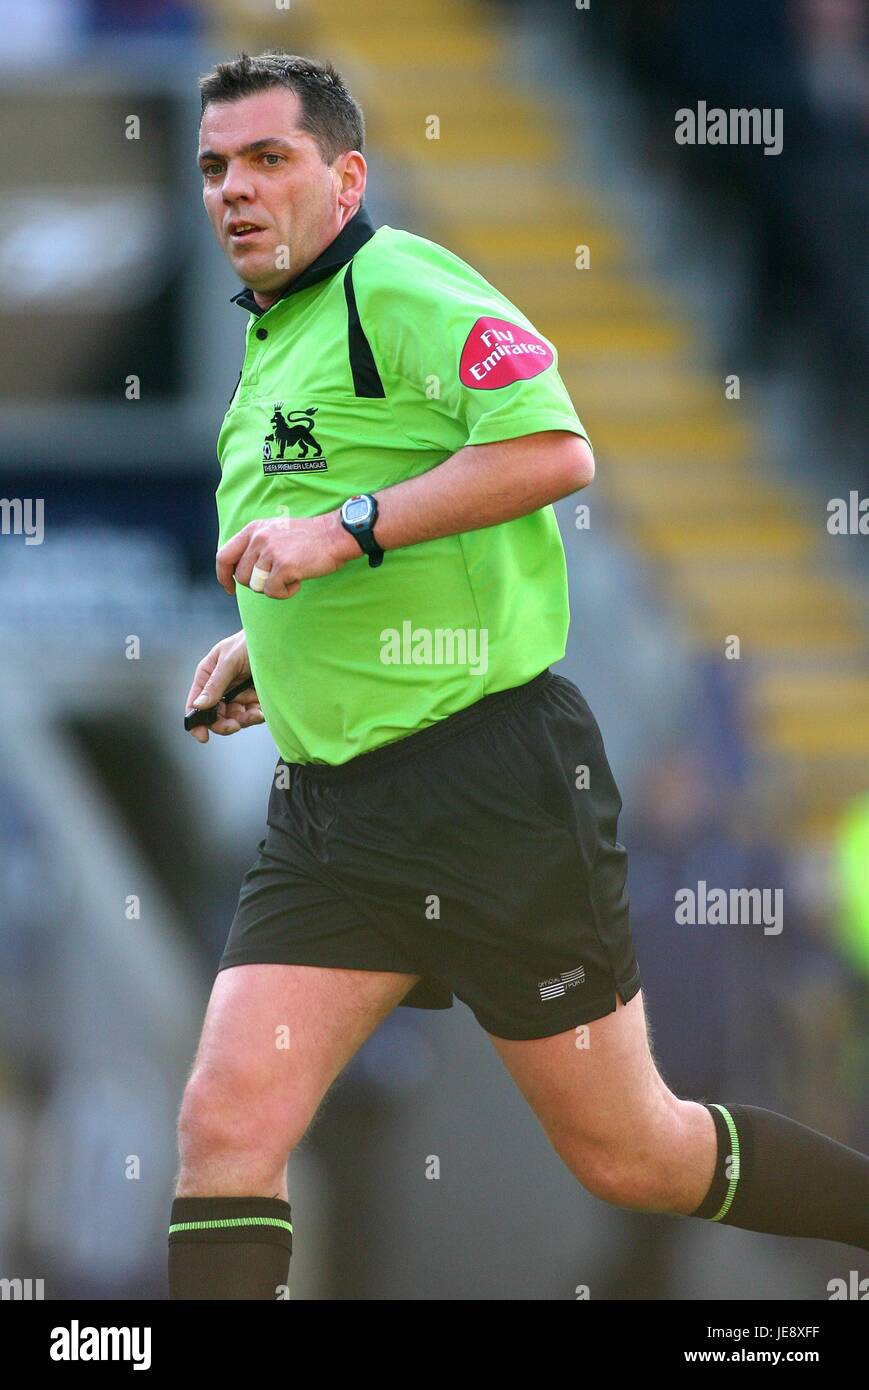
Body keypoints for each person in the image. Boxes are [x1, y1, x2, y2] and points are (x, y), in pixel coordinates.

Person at [168, 50, 868, 1299]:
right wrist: (269, 652)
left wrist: (345, 529)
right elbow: (341, 530)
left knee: (634, 1152)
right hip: (331, 813)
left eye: (269, 158)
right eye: (215, 165)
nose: (235, 188)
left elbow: (554, 447)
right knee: (225, 1125)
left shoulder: (400, 284)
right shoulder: (276, 338)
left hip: (486, 789)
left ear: (347, 175)